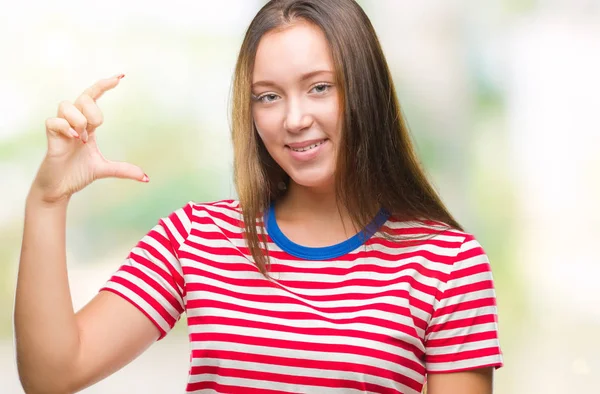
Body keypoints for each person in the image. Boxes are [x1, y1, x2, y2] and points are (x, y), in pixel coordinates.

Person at [14, 0, 503, 393]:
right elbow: (52, 377)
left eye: (319, 87)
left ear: (365, 92)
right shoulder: (195, 238)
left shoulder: (447, 264)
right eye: (268, 96)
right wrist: (48, 201)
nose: (294, 119)